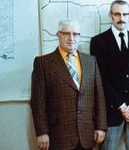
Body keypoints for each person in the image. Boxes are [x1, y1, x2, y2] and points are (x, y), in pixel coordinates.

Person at [30, 19, 107, 150]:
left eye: (75, 34)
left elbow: (99, 96)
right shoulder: (43, 63)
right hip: (59, 135)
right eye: (66, 34)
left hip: (87, 134)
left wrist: (101, 126)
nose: (71, 38)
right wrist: (42, 132)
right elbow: (38, 102)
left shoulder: (91, 61)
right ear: (58, 35)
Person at [90, 0, 129, 150]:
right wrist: (122, 106)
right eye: (117, 14)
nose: (121, 18)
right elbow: (101, 79)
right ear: (111, 16)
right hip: (111, 111)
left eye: (125, 14)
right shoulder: (98, 42)